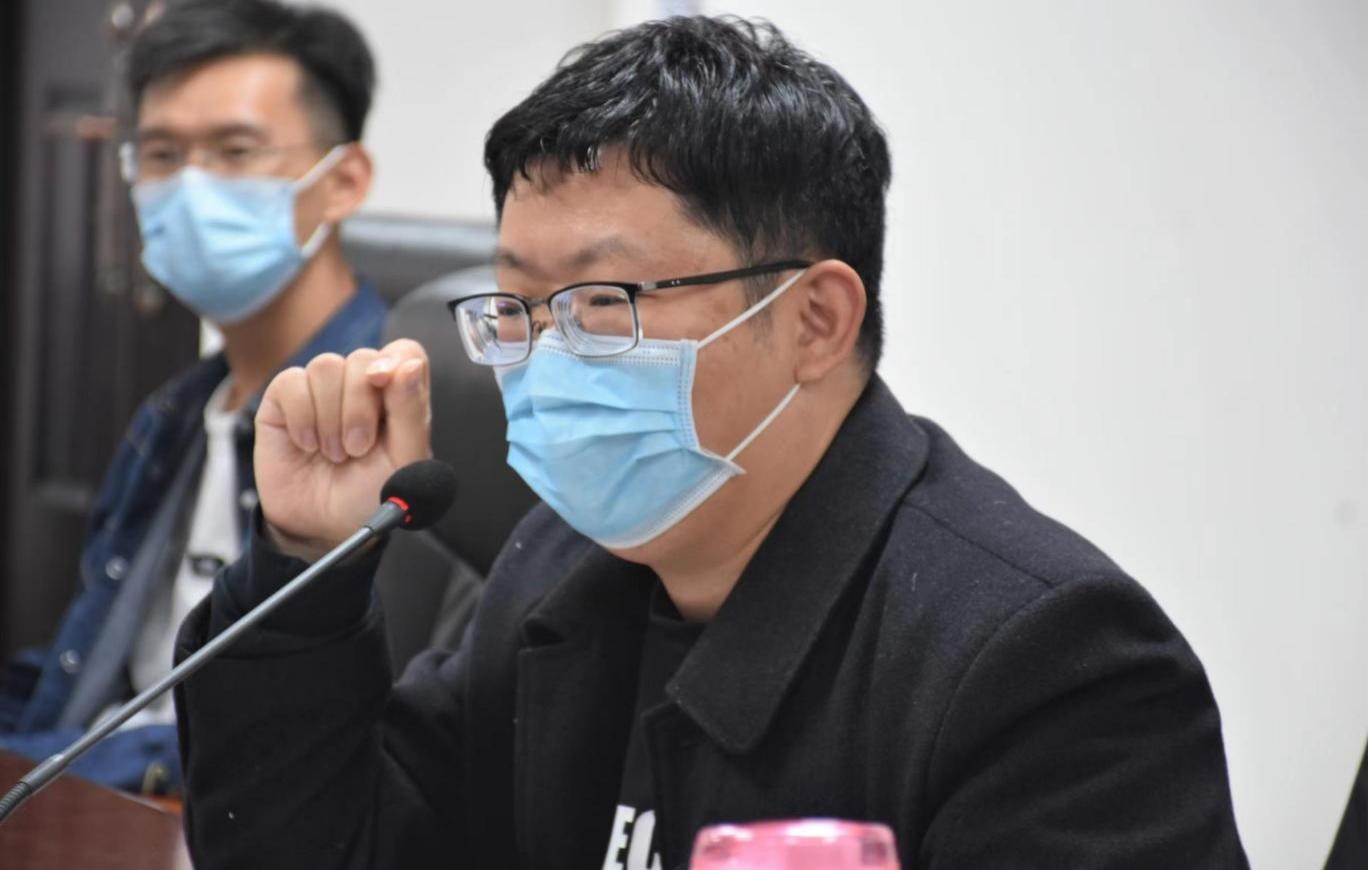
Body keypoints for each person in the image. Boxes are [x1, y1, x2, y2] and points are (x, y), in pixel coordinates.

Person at [173, 16, 1249, 868]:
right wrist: (306, 569)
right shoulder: (557, 571)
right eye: (518, 306)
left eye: (602, 302)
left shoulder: (1045, 662)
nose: (543, 358)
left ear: (816, 321)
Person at [0, 0, 384, 796]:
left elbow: (334, 716)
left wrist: (51, 765)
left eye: (235, 151)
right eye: (162, 154)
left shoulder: (381, 416)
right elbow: (84, 667)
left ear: (342, 181)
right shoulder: (172, 415)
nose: (190, 186)